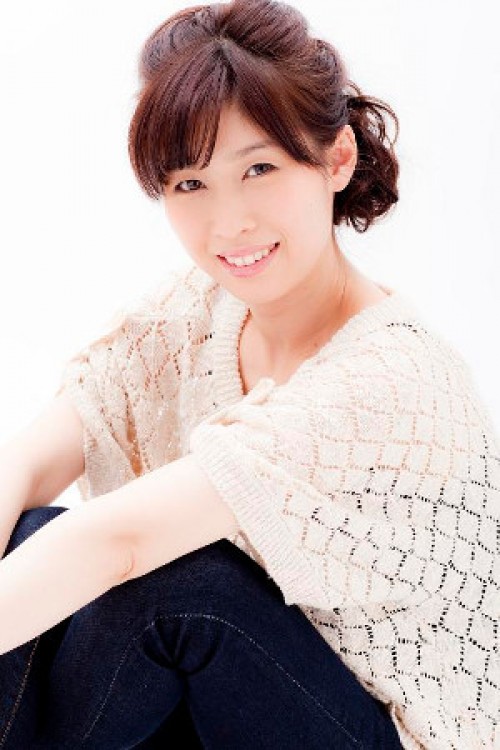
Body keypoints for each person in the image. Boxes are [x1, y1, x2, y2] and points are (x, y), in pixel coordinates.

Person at [0, 0, 498, 747]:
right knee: (34, 535)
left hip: (384, 733)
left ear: (336, 158)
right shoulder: (198, 313)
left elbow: (120, 544)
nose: (228, 222)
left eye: (259, 168)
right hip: (241, 705)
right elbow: (28, 461)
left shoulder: (391, 381)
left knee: (179, 589)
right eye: (189, 184)